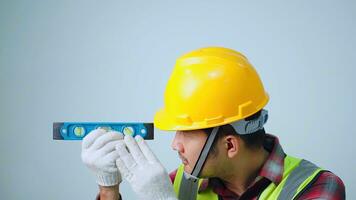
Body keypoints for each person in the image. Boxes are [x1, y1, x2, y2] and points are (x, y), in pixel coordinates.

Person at [82, 47, 345, 200]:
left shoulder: (316, 188)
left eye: (186, 132)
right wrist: (108, 189)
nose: (174, 144)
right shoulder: (178, 185)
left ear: (230, 144)